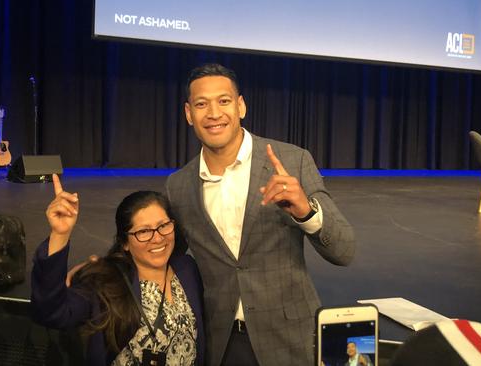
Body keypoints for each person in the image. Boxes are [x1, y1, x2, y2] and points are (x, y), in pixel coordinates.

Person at [164, 63, 356, 365]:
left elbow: (345, 250)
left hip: (291, 340)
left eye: (224, 101)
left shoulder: (292, 161)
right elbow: (162, 253)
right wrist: (101, 270)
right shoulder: (178, 185)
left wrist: (306, 212)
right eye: (202, 104)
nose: (214, 113)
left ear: (241, 106)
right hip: (222, 344)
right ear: (189, 114)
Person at [31, 175, 205, 365]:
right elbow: (50, 313)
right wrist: (60, 234)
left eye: (163, 226)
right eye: (144, 231)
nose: (157, 238)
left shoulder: (187, 270)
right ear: (124, 243)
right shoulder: (108, 284)